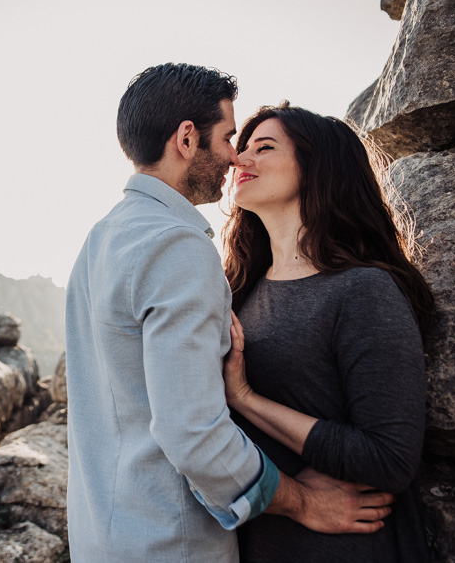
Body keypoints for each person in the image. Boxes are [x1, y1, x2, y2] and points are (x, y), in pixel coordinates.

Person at [65, 63, 394, 562]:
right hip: (171, 542)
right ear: (186, 138)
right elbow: (191, 432)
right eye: (228, 137)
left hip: (102, 538)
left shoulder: (100, 240)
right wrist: (304, 501)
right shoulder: (175, 246)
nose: (234, 155)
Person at [222, 103, 435, 562]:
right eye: (241, 148)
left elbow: (389, 459)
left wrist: (246, 399)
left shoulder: (363, 290)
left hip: (345, 547)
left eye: (264, 147)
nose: (240, 160)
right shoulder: (237, 292)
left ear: (317, 165)